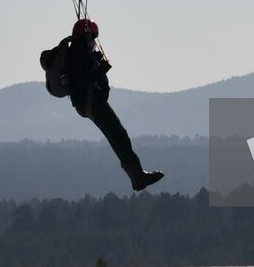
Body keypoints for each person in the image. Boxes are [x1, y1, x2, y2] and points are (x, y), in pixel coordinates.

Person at [41, 19, 163, 191]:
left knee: (115, 136)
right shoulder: (79, 54)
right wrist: (100, 71)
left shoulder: (79, 53)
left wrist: (96, 63)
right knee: (119, 135)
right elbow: (80, 80)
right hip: (92, 102)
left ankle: (136, 176)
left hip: (88, 103)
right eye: (93, 38)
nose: (94, 42)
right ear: (86, 37)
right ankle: (138, 176)